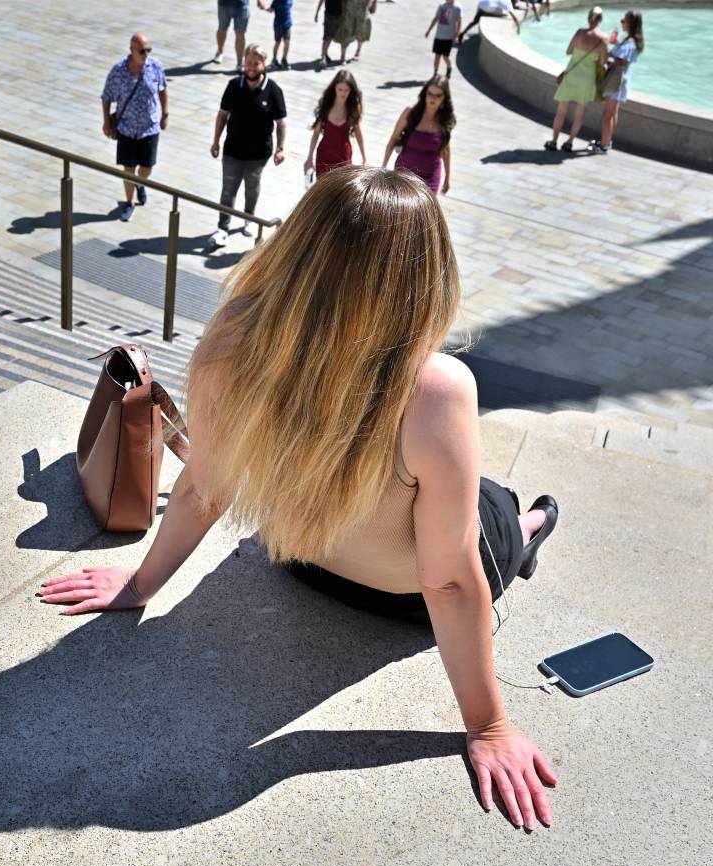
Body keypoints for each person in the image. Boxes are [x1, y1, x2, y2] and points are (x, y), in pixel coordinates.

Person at [39, 167, 561, 832]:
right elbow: (452, 583)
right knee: (494, 508)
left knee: (440, 495)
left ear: (298, 247)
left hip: (299, 563)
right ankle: (535, 524)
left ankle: (524, 520)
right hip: (407, 608)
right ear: (422, 277)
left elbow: (203, 485)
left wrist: (142, 585)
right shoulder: (435, 390)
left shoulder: (231, 338)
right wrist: (489, 726)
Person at [207, 44, 287, 248]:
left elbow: (281, 122)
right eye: (249, 62)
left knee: (252, 187)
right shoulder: (234, 85)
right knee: (228, 190)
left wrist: (280, 148)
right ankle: (222, 229)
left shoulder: (273, 90)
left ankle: (248, 218)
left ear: (263, 64)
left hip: (259, 154)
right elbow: (222, 114)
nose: (251, 67)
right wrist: (216, 141)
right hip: (233, 150)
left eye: (256, 63)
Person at [101, 33, 169, 224]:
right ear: (131, 50)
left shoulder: (155, 66)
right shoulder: (119, 70)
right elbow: (106, 97)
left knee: (146, 168)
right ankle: (129, 202)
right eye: (141, 50)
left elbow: (163, 89)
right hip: (127, 128)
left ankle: (140, 184)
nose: (146, 54)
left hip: (149, 127)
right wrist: (107, 121)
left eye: (148, 50)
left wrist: (165, 114)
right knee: (128, 169)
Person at [544, 6, 606, 152]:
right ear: (601, 20)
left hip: (571, 75)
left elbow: (568, 51)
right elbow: (602, 64)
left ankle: (553, 141)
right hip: (587, 80)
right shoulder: (603, 40)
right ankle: (569, 142)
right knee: (579, 113)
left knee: (561, 112)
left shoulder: (580, 33)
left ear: (588, 18)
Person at [383, 75, 454, 194]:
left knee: (425, 211)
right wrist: (383, 167)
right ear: (425, 93)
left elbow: (445, 149)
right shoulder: (411, 113)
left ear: (445, 98)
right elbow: (393, 139)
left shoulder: (446, 119)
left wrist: (447, 178)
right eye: (430, 93)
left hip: (430, 176)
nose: (433, 98)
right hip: (404, 173)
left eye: (438, 95)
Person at [593, 10, 644, 153]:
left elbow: (621, 61)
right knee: (613, 113)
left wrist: (609, 54)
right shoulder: (631, 41)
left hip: (616, 79)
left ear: (631, 24)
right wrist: (615, 46)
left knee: (607, 114)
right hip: (621, 79)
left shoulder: (630, 42)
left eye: (624, 20)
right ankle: (606, 141)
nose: (622, 23)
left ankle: (603, 145)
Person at [304, 70, 365, 180]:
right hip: (324, 155)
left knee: (341, 192)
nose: (343, 93)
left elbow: (359, 134)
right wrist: (309, 158)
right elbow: (316, 133)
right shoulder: (326, 106)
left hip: (343, 157)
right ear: (334, 88)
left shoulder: (353, 109)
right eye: (340, 89)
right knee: (323, 191)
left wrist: (364, 157)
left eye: (347, 90)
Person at [426, 0, 463, 79]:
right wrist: (429, 30)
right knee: (437, 55)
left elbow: (459, 23)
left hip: (448, 37)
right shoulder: (441, 5)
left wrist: (456, 36)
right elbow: (436, 18)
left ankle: (449, 67)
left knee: (445, 56)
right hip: (439, 35)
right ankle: (435, 73)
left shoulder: (457, 8)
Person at [215, 0, 252, 72]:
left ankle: (239, 63)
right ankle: (220, 51)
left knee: (240, 34)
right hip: (224, 4)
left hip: (242, 5)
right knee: (222, 29)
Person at [257, 0, 294, 70]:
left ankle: (284, 59)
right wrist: (264, 7)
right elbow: (271, 10)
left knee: (287, 42)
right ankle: (274, 58)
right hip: (278, 25)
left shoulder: (290, 1)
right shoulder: (276, 1)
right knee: (278, 42)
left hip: (287, 25)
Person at [313, 0, 346, 66]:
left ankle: (325, 54)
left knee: (330, 36)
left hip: (337, 15)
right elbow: (321, 1)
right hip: (329, 15)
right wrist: (317, 13)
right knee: (327, 37)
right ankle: (323, 57)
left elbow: (343, 2)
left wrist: (343, 14)